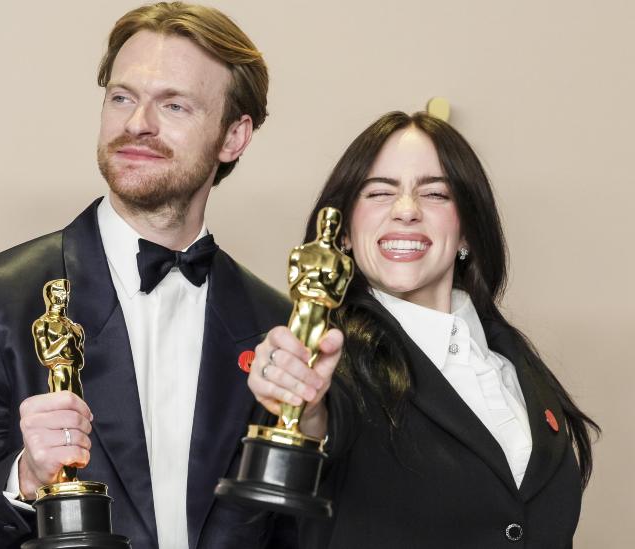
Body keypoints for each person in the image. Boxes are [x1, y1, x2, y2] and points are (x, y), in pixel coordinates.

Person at [0, 3, 295, 548]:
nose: (138, 124)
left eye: (174, 105)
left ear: (234, 136)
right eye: (122, 97)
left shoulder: (277, 323)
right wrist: (24, 478)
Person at [248, 111, 600, 548]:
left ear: (468, 230)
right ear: (342, 234)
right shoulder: (328, 363)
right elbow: (315, 431)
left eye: (435, 194)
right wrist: (302, 405)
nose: (407, 211)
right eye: (379, 192)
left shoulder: (513, 363)